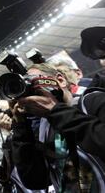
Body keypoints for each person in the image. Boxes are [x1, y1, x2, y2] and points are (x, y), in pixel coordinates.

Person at [11, 63, 105, 192]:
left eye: (33, 82)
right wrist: (20, 126)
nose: (31, 91)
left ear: (60, 80)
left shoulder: (92, 102)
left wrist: (55, 111)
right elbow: (35, 181)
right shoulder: (44, 129)